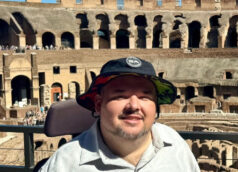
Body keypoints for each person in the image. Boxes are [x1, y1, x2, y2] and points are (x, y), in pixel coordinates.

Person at [40, 56, 200, 171]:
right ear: (98, 105)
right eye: (120, 96)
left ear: (156, 107)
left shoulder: (176, 145)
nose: (134, 105)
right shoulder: (64, 164)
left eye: (145, 96)